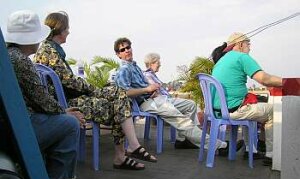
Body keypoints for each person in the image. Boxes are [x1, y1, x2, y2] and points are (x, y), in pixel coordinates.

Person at [34, 11, 156, 170]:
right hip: (67, 103)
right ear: (60, 29)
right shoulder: (49, 51)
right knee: (119, 101)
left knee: (119, 95)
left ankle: (128, 150)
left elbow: (66, 80)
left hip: (67, 97)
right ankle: (123, 154)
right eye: (67, 28)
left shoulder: (49, 49)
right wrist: (93, 89)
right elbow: (69, 81)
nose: (69, 32)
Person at [5, 10, 83, 179]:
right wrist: (64, 112)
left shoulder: (8, 56)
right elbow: (42, 100)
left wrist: (61, 111)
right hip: (17, 129)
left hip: (9, 125)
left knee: (64, 119)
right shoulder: (20, 61)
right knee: (71, 124)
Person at [114, 37, 228, 151]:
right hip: (147, 103)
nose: (126, 50)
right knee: (181, 120)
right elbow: (124, 92)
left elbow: (143, 86)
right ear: (118, 55)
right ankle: (217, 145)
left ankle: (182, 140)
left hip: (157, 98)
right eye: (122, 50)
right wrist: (147, 90)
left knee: (191, 105)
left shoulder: (134, 66)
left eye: (128, 47)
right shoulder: (124, 69)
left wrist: (153, 90)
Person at [211, 32, 282, 166]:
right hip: (235, 109)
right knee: (274, 111)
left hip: (219, 110)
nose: (250, 47)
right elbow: (264, 79)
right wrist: (287, 82)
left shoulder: (220, 61)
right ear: (239, 44)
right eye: (248, 43)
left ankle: (252, 149)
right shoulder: (241, 57)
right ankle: (271, 154)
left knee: (252, 109)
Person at [143, 52, 199, 149]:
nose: (159, 64)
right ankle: (182, 139)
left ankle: (182, 139)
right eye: (157, 62)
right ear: (151, 63)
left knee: (190, 105)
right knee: (191, 105)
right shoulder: (148, 75)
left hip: (165, 100)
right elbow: (154, 91)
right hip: (162, 102)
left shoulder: (152, 75)